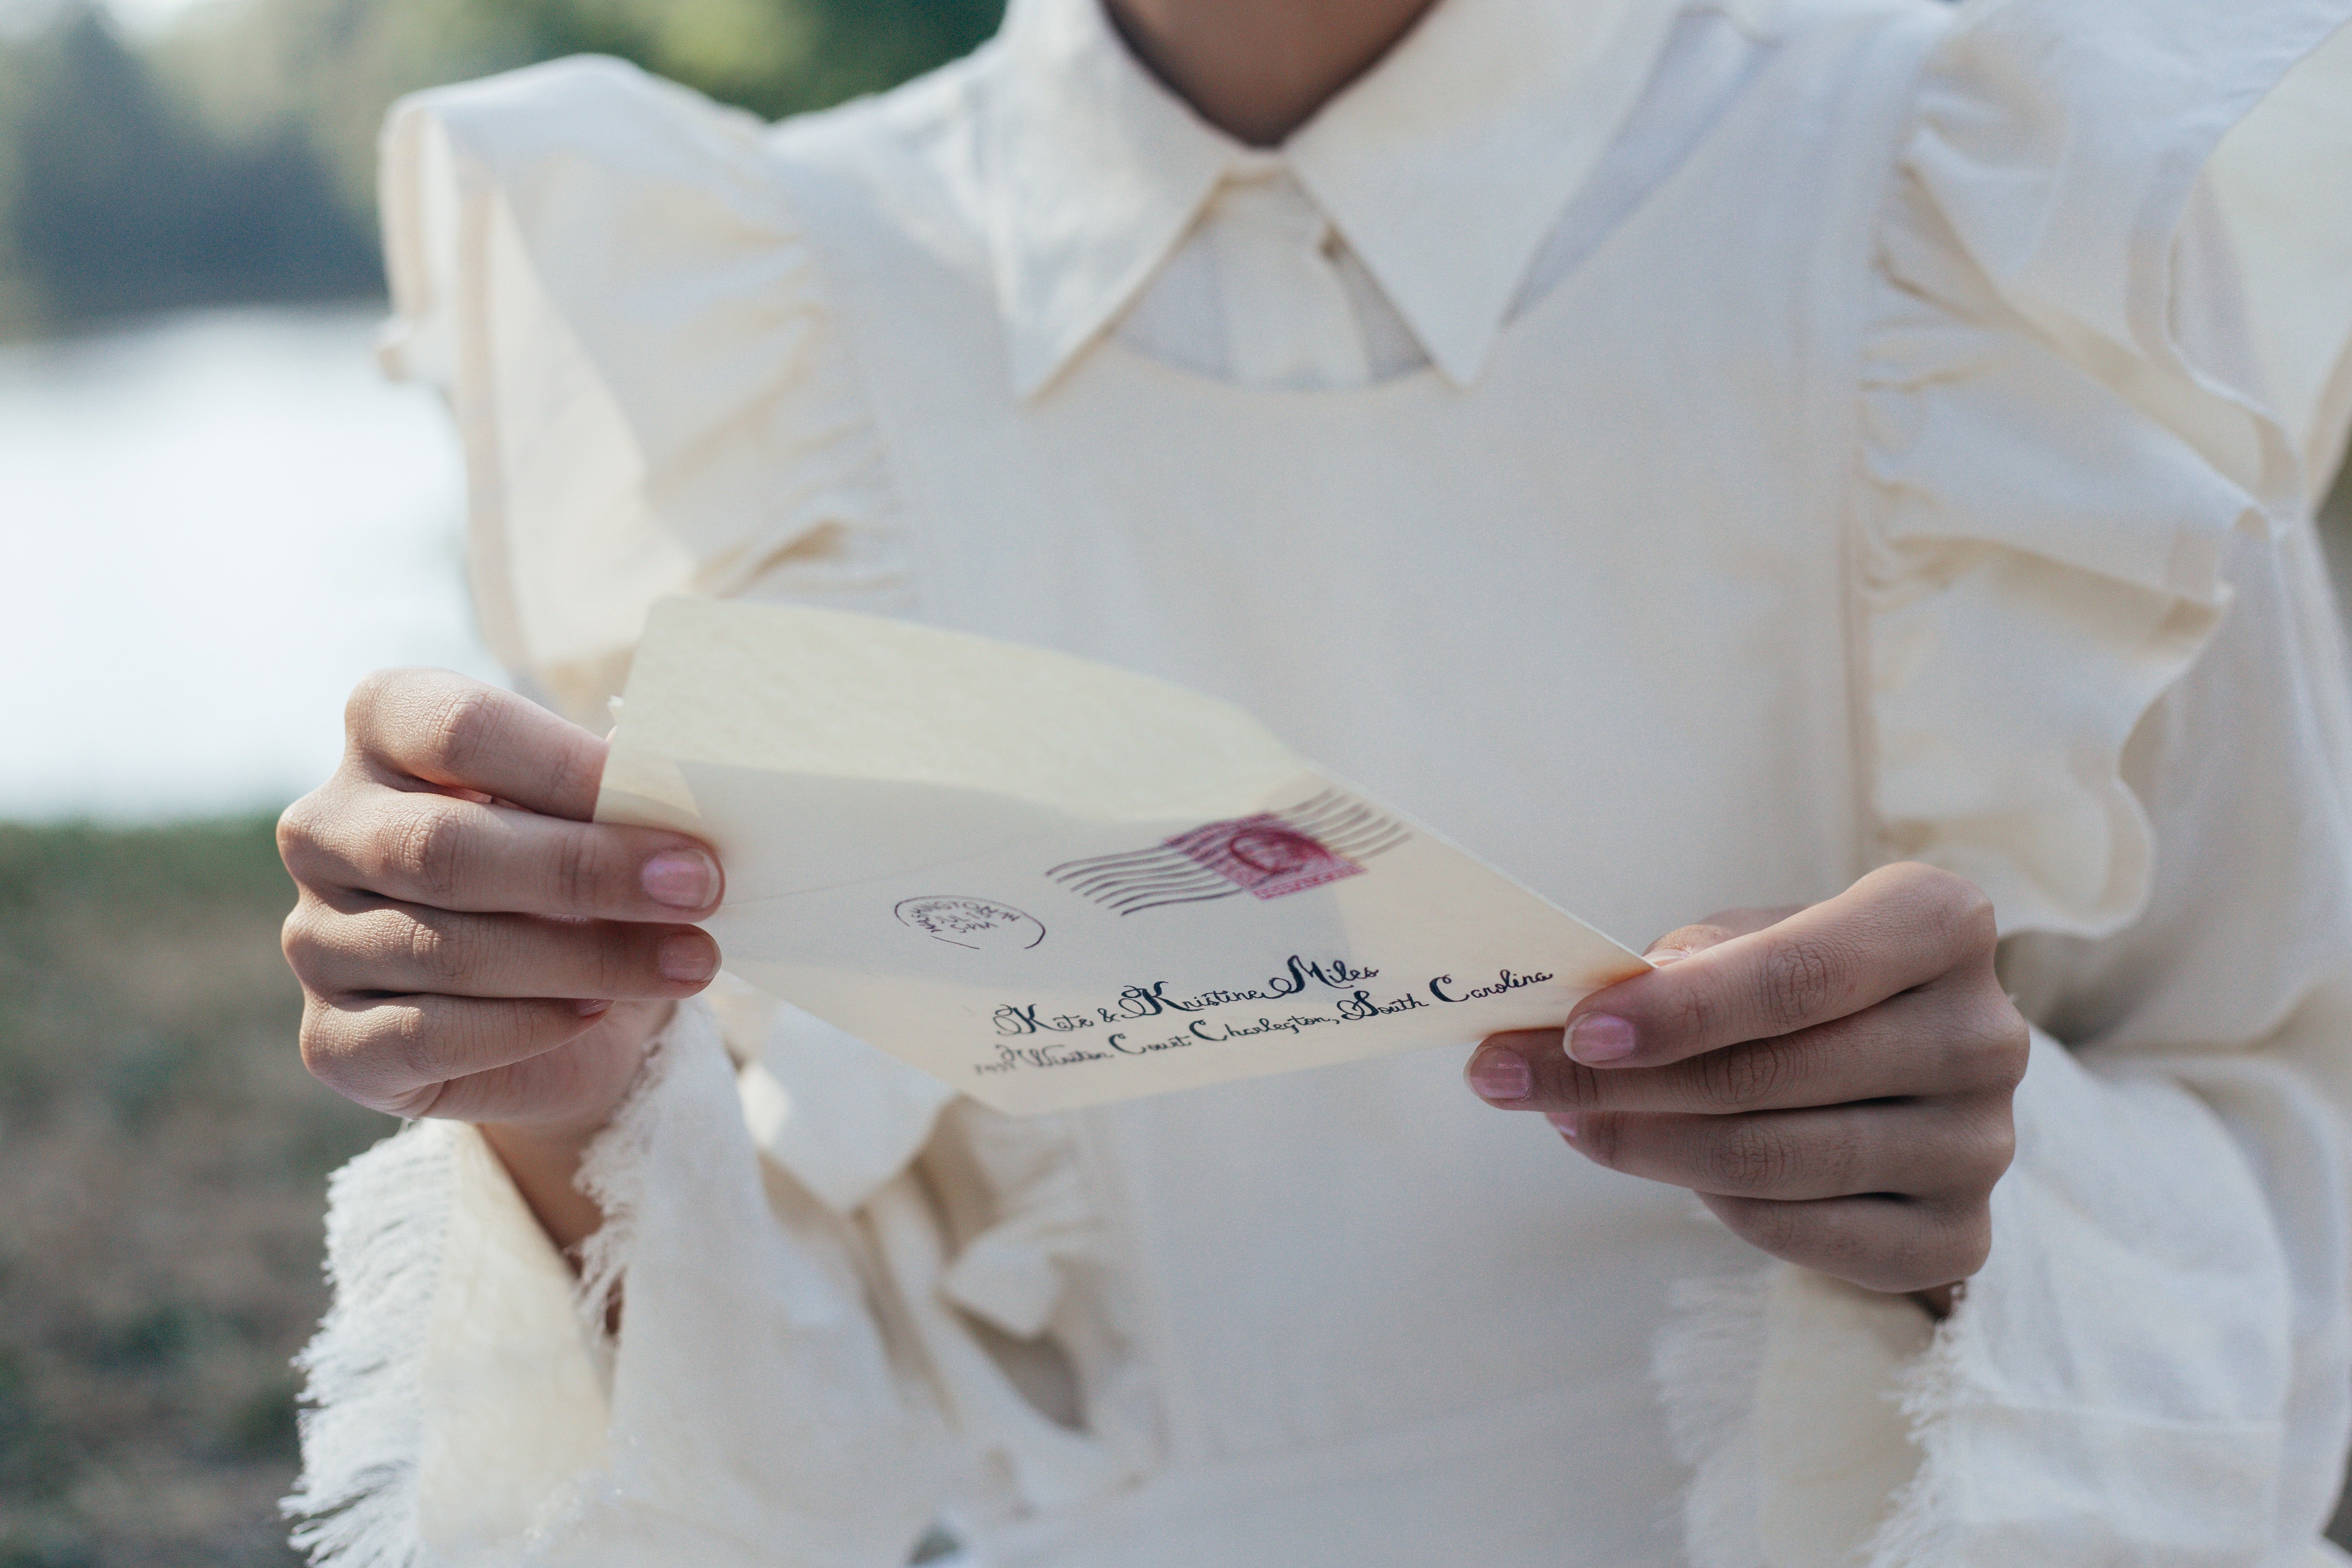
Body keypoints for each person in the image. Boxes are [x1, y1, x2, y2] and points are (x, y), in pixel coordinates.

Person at [272, 0, 2352, 1561]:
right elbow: (820, 1414)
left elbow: (2280, 1093)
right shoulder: (735, 310)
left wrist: (1994, 1199)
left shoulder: (2005, 220)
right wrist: (566, 1090)